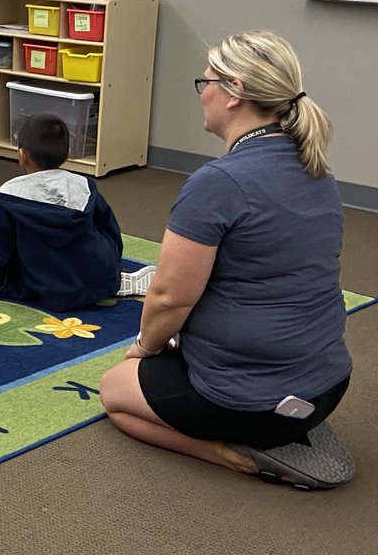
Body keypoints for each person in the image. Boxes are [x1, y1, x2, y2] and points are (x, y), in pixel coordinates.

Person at [99, 31, 354, 490]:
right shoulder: (318, 170)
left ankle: (230, 452)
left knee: (114, 391)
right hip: (328, 385)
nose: (204, 94)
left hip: (248, 402)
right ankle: (291, 424)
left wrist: (143, 350)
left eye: (207, 82)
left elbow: (170, 298)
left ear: (234, 92)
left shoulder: (218, 183)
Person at [0, 114, 125, 312]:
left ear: (22, 154)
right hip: (102, 284)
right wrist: (113, 272)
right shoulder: (84, 186)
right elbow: (111, 231)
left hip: (52, 291)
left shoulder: (8, 196)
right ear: (68, 154)